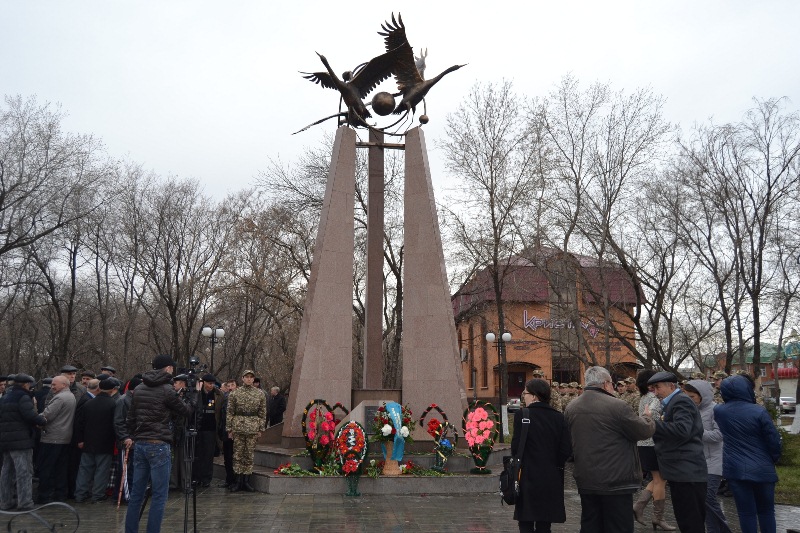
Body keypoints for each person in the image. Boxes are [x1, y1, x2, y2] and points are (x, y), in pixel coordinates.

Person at [564, 366, 654, 533]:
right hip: (616, 481)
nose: (614, 387)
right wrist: (648, 418)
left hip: (586, 478)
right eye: (612, 384)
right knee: (618, 526)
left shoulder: (571, 407)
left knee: (591, 524)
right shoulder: (618, 406)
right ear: (606, 384)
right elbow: (643, 431)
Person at [124, 355, 196, 533]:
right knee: (159, 495)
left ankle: (130, 530)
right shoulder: (166, 389)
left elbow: (130, 419)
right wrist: (195, 395)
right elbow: (186, 411)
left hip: (140, 444)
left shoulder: (139, 388)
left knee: (136, 495)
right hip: (158, 444)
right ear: (167, 368)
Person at [714, 374, 782, 533]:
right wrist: (773, 458)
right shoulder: (759, 411)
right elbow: (773, 440)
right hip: (762, 468)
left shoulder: (719, 411)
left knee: (746, 513)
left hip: (735, 469)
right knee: (766, 511)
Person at [647, 371, 707, 533]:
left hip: (687, 473)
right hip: (681, 472)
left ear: (671, 386)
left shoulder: (681, 401)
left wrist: (651, 424)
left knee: (691, 522)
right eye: (653, 388)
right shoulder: (673, 402)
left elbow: (682, 430)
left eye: (658, 388)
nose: (656, 392)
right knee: (686, 520)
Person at [512, 378, 572, 533]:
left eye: (525, 393)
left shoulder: (522, 415)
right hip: (550, 475)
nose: (523, 396)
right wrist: (554, 464)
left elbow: (515, 447)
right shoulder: (559, 417)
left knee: (525, 520)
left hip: (526, 475)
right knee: (544, 523)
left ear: (534, 396)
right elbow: (566, 449)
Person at [683, 380, 732, 533]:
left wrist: (695, 433)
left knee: (708, 498)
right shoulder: (692, 410)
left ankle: (724, 529)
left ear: (702, 396)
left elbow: (719, 435)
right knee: (704, 502)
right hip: (697, 462)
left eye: (692, 397)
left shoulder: (715, 410)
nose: (690, 400)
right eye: (687, 397)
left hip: (713, 462)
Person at [632, 369, 675, 531]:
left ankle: (639, 505)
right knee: (660, 480)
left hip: (644, 443)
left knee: (660, 478)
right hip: (653, 443)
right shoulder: (653, 399)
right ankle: (658, 517)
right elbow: (654, 418)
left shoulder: (644, 397)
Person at [0, 373, 46, 511]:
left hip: (5, 440)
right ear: (26, 384)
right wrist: (42, 421)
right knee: (24, 472)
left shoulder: (6, 397)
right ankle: (25, 503)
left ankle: (5, 502)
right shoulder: (23, 397)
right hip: (21, 441)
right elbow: (30, 415)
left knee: (6, 472)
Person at [74, 377, 120, 503]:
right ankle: (98, 494)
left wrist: (80, 439)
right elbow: (115, 424)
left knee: (84, 469)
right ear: (112, 390)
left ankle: (80, 494)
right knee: (102, 470)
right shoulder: (113, 404)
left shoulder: (88, 403)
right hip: (105, 443)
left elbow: (80, 423)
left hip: (88, 441)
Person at [37, 375, 76, 504]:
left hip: (52, 438)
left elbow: (47, 415)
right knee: (61, 468)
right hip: (65, 437)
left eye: (54, 384)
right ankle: (60, 494)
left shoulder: (59, 398)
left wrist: (34, 418)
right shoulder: (71, 396)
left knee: (47, 468)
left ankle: (44, 496)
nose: (52, 387)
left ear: (64, 385)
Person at [226, 369, 266, 492]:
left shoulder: (260, 394)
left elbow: (262, 412)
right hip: (238, 427)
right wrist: (229, 429)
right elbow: (230, 412)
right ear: (242, 378)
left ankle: (246, 481)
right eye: (246, 377)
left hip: (253, 427)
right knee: (238, 454)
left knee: (249, 455)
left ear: (253, 379)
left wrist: (261, 428)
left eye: (251, 377)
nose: (249, 379)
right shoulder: (235, 393)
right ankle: (238, 481)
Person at [194, 373, 223, 487]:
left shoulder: (218, 394)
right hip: (198, 428)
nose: (210, 386)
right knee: (197, 455)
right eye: (208, 383)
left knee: (208, 455)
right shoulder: (197, 393)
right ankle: (196, 477)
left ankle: (206, 478)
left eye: (212, 384)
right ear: (203, 383)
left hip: (211, 429)